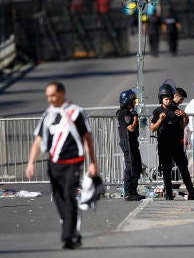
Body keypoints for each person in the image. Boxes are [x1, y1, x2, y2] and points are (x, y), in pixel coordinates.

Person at [25, 81, 98, 250]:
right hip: (54, 164)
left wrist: (92, 162)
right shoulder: (48, 115)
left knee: (68, 196)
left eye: (53, 95)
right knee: (59, 200)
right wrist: (30, 162)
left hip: (73, 163)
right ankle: (74, 232)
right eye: (48, 96)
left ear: (62, 93)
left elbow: (87, 138)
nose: (50, 99)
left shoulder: (76, 112)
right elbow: (38, 140)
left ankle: (68, 236)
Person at [150, 84, 194, 200]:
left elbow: (182, 126)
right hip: (164, 144)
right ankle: (168, 194)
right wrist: (160, 119)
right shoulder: (157, 111)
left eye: (169, 98)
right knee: (167, 169)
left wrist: (185, 117)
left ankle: (192, 193)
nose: (168, 101)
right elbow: (152, 128)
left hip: (176, 144)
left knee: (183, 168)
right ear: (161, 99)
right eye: (166, 98)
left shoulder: (176, 110)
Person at [116, 89, 145, 201]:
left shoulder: (128, 112)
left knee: (137, 166)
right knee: (131, 167)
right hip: (127, 141)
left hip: (132, 142)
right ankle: (128, 192)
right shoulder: (124, 113)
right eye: (134, 100)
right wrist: (135, 117)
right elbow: (131, 128)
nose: (135, 102)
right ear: (128, 101)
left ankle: (134, 190)